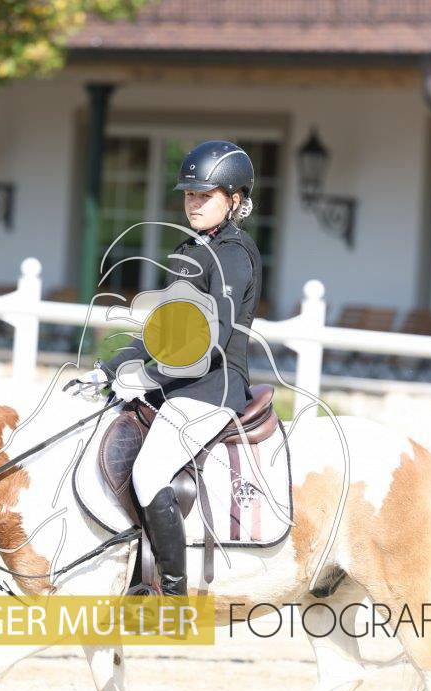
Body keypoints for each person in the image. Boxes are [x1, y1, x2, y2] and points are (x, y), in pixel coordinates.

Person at [76, 140, 262, 596]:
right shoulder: (191, 249)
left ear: (234, 199)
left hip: (212, 388)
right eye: (189, 195)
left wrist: (149, 377)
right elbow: (163, 331)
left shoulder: (234, 255)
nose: (193, 203)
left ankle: (173, 598)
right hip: (178, 383)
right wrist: (109, 369)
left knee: (148, 473)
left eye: (205, 195)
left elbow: (211, 341)